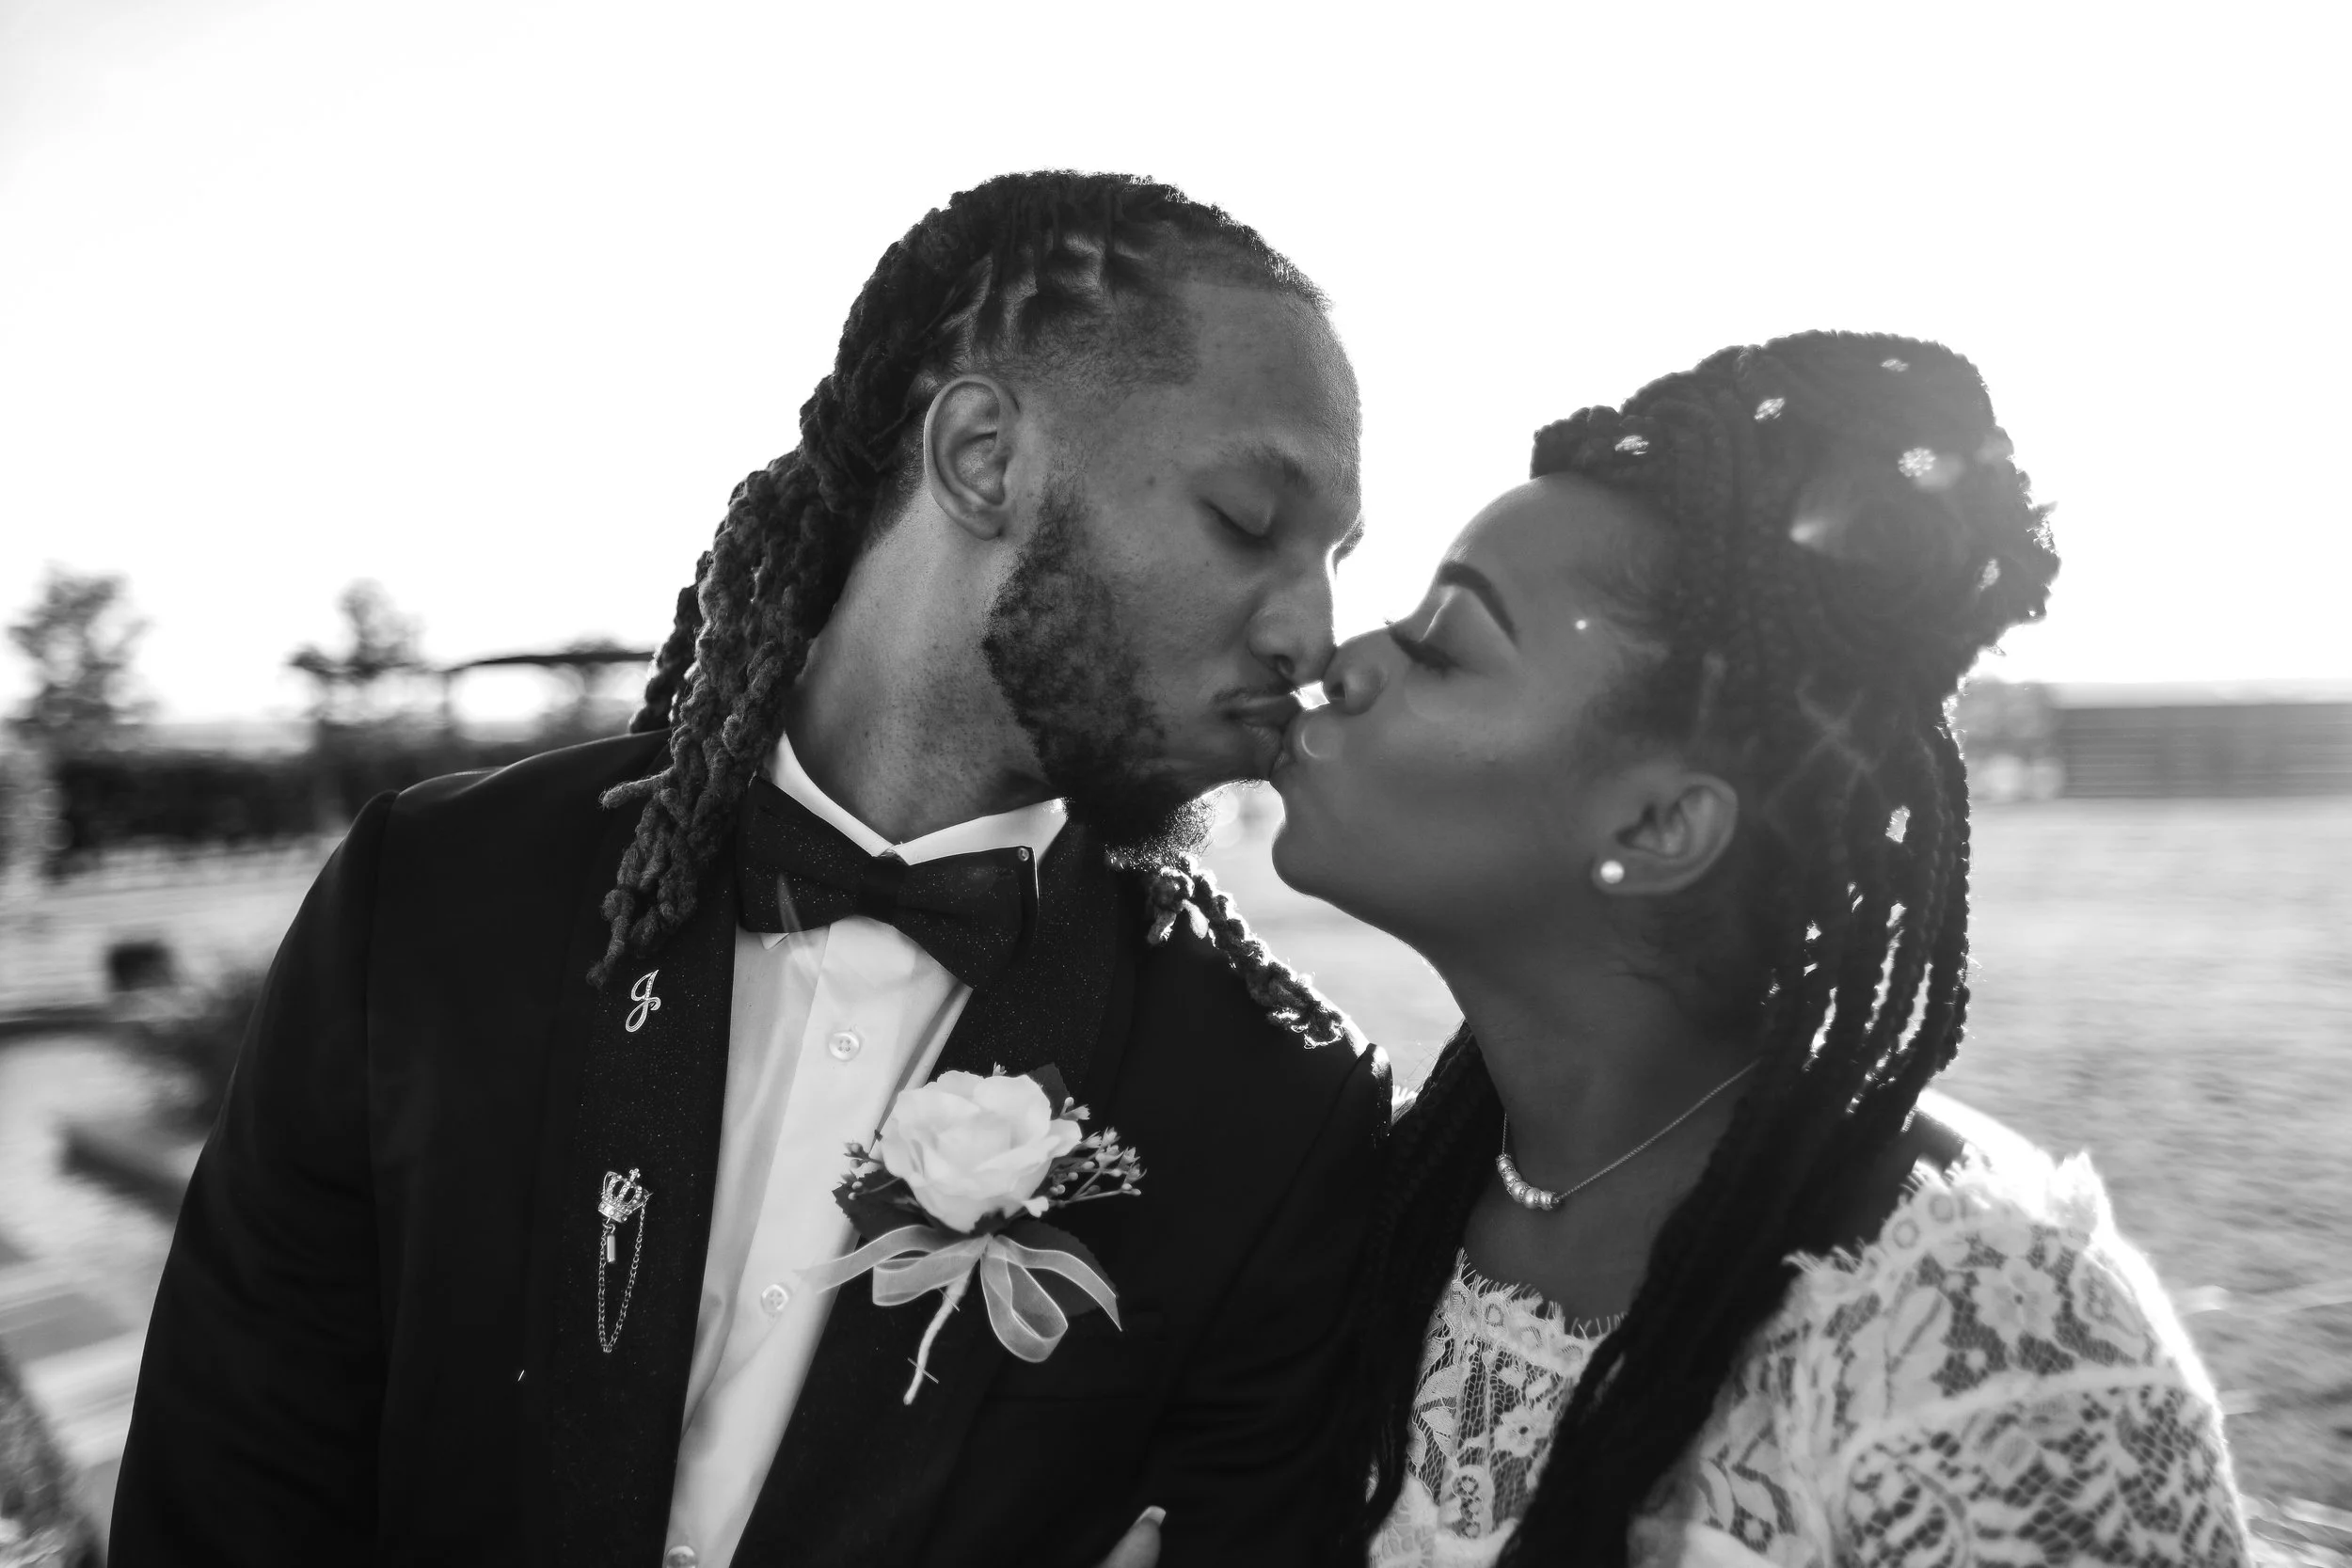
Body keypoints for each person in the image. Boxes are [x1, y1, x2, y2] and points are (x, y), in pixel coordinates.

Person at [111, 171, 1389, 1568]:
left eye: (1335, 557)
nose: (1313, 636)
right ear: (980, 455)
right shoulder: (435, 901)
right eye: (1249, 522)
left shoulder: (1279, 1108)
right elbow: (223, 1491)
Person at [1271, 334, 2251, 1565]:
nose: (1339, 661)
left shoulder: (1983, 1321)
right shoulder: (1379, 1203)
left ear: (1661, 824)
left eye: (1441, 645)